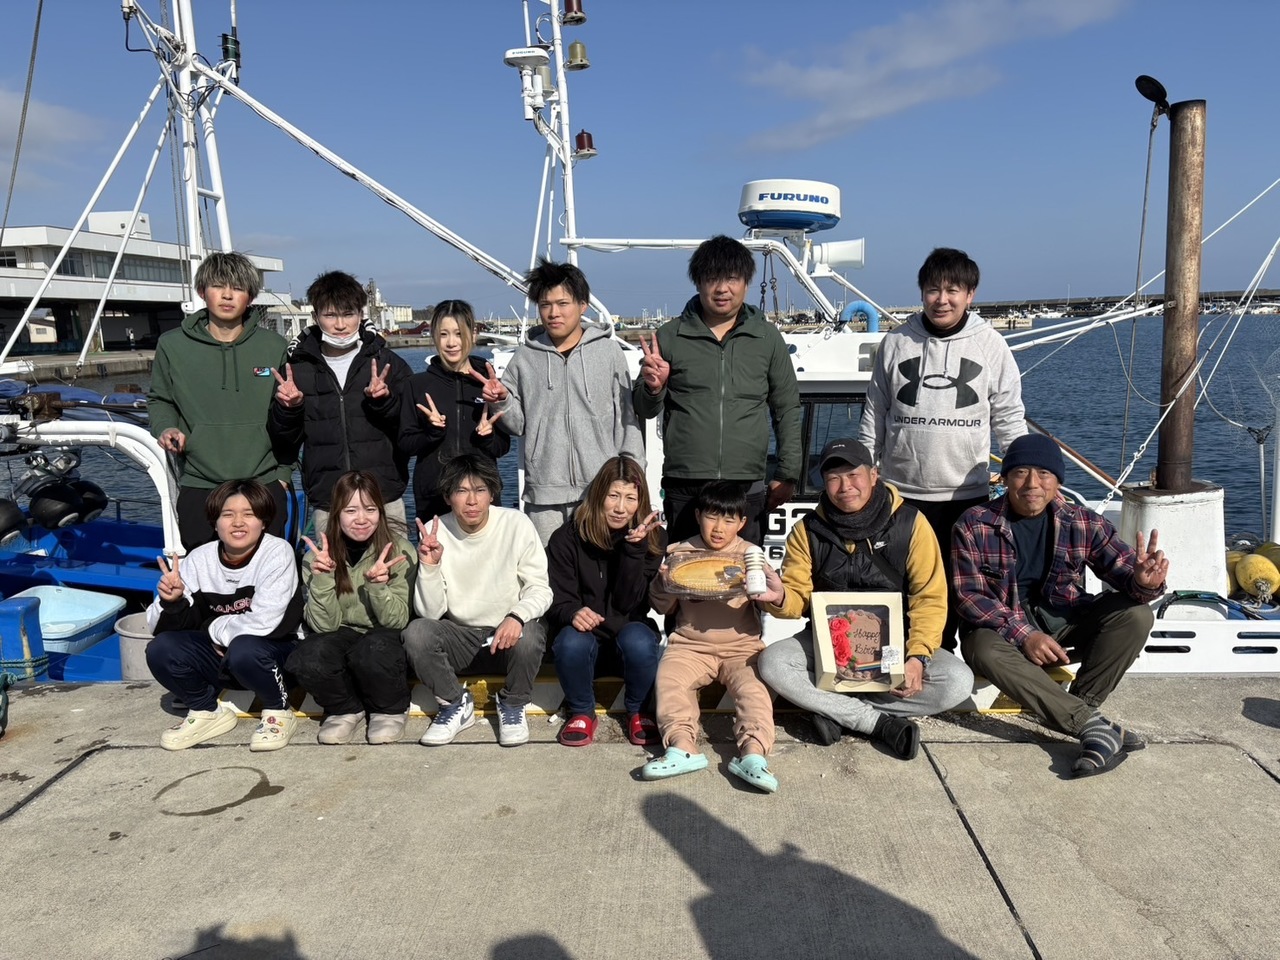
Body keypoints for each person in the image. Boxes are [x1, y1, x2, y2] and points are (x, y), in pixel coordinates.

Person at [953, 433, 1168, 777]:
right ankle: (1091, 726)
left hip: (1064, 621)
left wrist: (1144, 582)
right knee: (980, 646)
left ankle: (1084, 714)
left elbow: (1125, 572)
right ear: (1004, 479)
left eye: (1044, 474)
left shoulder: (1083, 522)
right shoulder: (974, 523)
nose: (1032, 484)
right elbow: (969, 596)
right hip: (1005, 631)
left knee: (1135, 615)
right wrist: (1024, 635)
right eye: (1020, 472)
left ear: (1058, 482)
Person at [756, 438, 974, 759]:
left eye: (853, 475)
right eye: (833, 478)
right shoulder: (807, 530)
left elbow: (929, 597)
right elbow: (798, 599)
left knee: (957, 681)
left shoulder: (912, 523)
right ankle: (877, 723)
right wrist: (779, 598)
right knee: (773, 663)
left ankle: (836, 710)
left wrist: (917, 657)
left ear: (874, 475)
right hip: (826, 644)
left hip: (893, 647)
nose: (845, 486)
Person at [858, 247, 1025, 650]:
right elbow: (874, 413)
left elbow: (1009, 418)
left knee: (955, 590)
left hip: (965, 497)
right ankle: (903, 659)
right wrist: (864, 469)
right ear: (922, 292)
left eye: (953, 290)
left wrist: (1024, 471)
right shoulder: (896, 343)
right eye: (933, 290)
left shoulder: (990, 345)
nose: (942, 300)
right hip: (901, 494)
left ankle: (945, 661)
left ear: (970, 294)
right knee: (900, 584)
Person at [634, 235, 802, 546]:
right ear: (698, 282)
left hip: (746, 484)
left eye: (732, 278)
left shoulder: (766, 338)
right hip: (685, 485)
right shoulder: (669, 336)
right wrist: (653, 387)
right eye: (712, 278)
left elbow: (787, 407)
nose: (722, 288)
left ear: (746, 283)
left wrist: (787, 473)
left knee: (745, 568)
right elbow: (643, 408)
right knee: (684, 567)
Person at [475, 259, 644, 545]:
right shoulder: (524, 358)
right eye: (545, 305)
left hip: (601, 491)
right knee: (547, 569)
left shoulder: (609, 353)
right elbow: (517, 425)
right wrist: (501, 401)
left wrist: (632, 478)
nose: (553, 313)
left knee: (601, 568)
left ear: (583, 305)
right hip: (544, 495)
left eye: (563, 303)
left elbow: (626, 420)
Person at [401, 454, 552, 747]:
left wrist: (516, 616)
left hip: (507, 635)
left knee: (532, 633)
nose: (472, 501)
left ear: (492, 494)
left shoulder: (516, 524)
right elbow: (430, 612)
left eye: (480, 490)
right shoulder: (436, 532)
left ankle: (513, 704)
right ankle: (455, 704)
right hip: (462, 636)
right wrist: (430, 566)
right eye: (461, 491)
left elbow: (540, 589)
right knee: (416, 632)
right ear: (448, 497)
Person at [144, 479, 304, 752]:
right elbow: (154, 625)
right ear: (215, 522)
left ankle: (278, 710)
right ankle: (206, 710)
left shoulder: (277, 552)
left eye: (249, 514)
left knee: (245, 648)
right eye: (228, 515)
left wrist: (213, 629)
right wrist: (172, 602)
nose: (238, 523)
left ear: (263, 522)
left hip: (273, 657)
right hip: (225, 659)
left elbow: (265, 623)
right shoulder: (199, 559)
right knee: (161, 648)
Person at [148, 252, 293, 550]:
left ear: (250, 296)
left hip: (263, 481)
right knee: (203, 571)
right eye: (217, 286)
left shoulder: (274, 346)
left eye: (238, 288)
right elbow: (160, 400)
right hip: (199, 482)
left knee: (268, 569)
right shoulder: (172, 345)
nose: (227, 295)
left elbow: (289, 420)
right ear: (202, 292)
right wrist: (165, 428)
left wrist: (283, 474)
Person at [642, 481, 778, 793]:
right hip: (689, 646)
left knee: (754, 691)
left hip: (742, 646)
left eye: (729, 520)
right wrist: (663, 584)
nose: (718, 528)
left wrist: (772, 592)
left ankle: (753, 754)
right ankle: (682, 747)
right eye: (711, 517)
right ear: (698, 515)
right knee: (670, 682)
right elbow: (662, 606)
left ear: (742, 523)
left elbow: (770, 602)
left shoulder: (751, 556)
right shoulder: (679, 553)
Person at [269, 270, 412, 535]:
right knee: (329, 564)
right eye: (330, 315)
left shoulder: (387, 364)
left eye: (348, 314)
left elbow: (409, 431)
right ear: (316, 317)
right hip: (329, 498)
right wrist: (289, 409)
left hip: (383, 496)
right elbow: (283, 441)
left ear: (361, 315)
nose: (340, 325)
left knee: (396, 561)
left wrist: (384, 402)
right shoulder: (296, 370)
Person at [285, 471, 417, 745]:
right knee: (306, 656)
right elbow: (324, 627)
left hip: (384, 634)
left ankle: (389, 708)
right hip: (342, 631)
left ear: (380, 512)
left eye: (370, 509)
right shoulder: (317, 557)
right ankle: (345, 708)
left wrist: (378, 587)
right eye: (351, 510)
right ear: (336, 513)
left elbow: (397, 621)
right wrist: (323, 579)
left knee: (372, 650)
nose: (361, 519)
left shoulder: (400, 551)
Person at [546, 455, 666, 747]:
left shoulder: (654, 539)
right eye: (613, 495)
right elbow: (556, 596)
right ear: (599, 494)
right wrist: (572, 611)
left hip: (627, 635)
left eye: (630, 498)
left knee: (640, 640)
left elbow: (628, 603)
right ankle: (582, 711)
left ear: (640, 501)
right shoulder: (566, 537)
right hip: (585, 640)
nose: (620, 508)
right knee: (569, 642)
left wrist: (634, 550)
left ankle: (638, 710)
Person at [398, 299, 510, 522]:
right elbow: (405, 444)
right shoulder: (416, 385)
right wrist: (432, 432)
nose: (451, 343)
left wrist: (487, 436)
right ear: (434, 337)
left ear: (473, 335)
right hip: (434, 497)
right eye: (443, 334)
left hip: (481, 497)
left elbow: (502, 447)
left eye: (459, 334)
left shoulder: (490, 385)